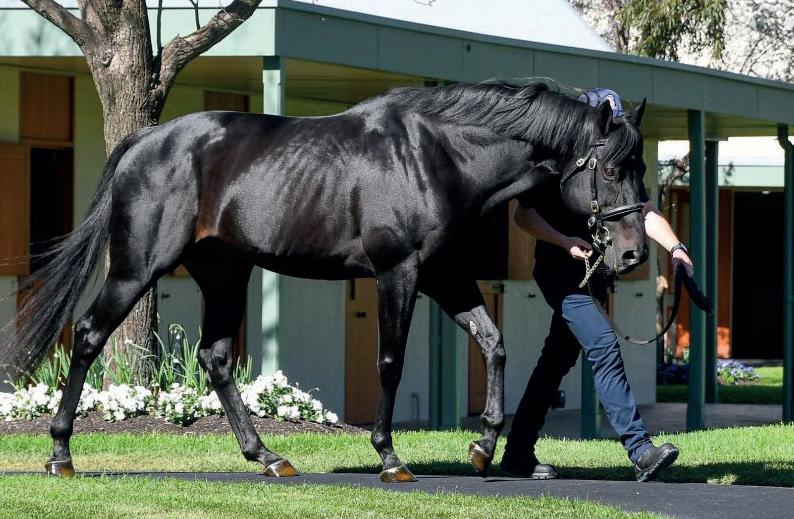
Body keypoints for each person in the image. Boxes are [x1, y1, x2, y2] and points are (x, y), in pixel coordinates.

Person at [501, 89, 695, 483]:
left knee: (554, 362)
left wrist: (676, 248)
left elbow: (644, 210)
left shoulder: (616, 164)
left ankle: (517, 454)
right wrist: (564, 241)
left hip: (594, 276)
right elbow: (523, 216)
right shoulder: (554, 162)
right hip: (559, 272)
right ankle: (640, 450)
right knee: (604, 345)